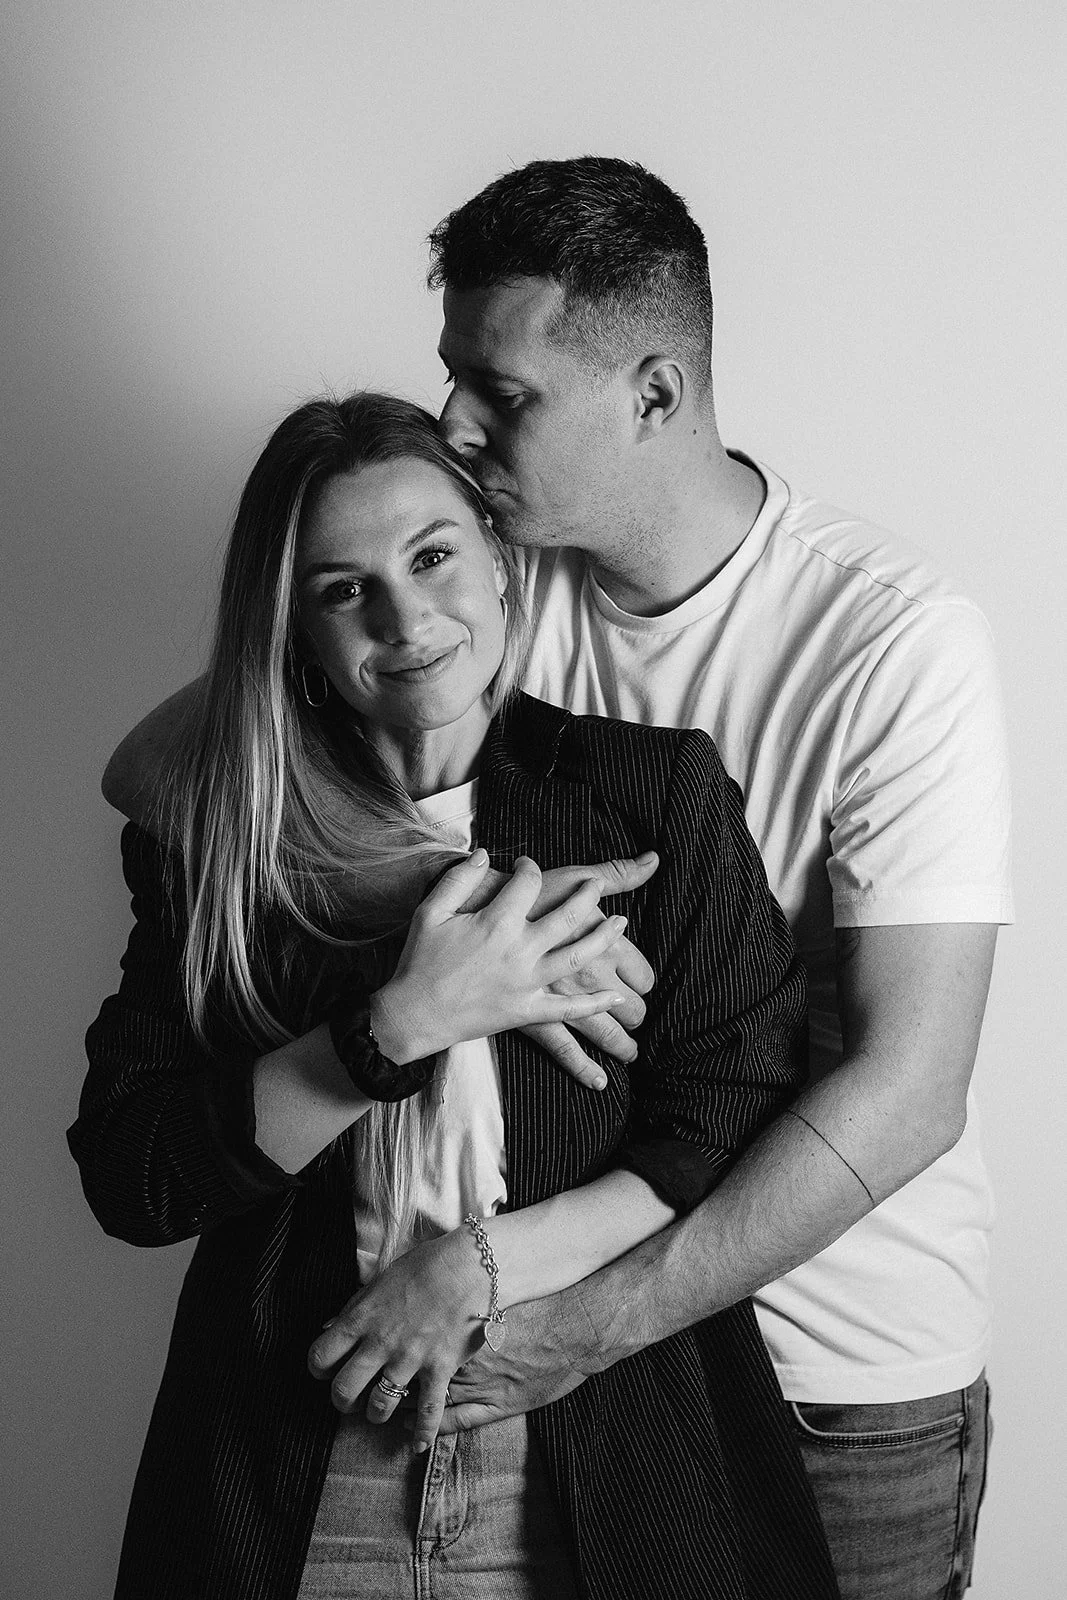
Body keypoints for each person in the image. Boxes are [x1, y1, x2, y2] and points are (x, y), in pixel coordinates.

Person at [102, 158, 1012, 1600]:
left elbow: (905, 1088)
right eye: (450, 378)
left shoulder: (890, 638)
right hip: (561, 1384)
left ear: (652, 394)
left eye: (501, 395)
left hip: (833, 1368)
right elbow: (165, 774)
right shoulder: (493, 590)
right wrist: (455, 944)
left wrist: (542, 1292)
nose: (457, 427)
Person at [71, 392, 839, 1600]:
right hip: (297, 1468)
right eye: (341, 589)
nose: (405, 616)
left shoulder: (653, 796)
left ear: (498, 555)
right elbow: (136, 1171)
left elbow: (733, 1116)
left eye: (432, 555)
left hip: (590, 1458)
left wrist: (476, 1264)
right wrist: (400, 1025)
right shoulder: (220, 841)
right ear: (294, 633)